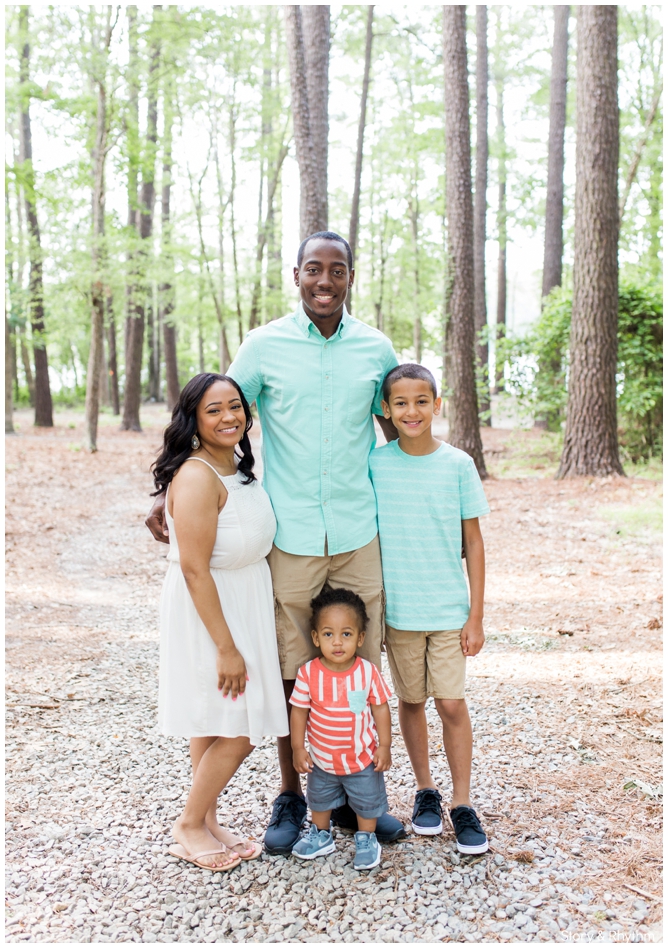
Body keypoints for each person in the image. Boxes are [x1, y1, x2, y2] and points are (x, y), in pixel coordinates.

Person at [146, 231, 405, 854]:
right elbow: (215, 410)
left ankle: (360, 796)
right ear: (296, 275)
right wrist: (169, 491)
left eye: (337, 270)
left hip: (358, 529)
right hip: (288, 535)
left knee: (359, 661)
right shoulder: (263, 345)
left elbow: (398, 427)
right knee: (293, 671)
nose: (325, 281)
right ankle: (295, 794)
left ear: (350, 277)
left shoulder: (376, 348)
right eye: (313, 269)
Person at [154, 373, 289, 871]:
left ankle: (208, 822)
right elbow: (194, 568)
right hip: (211, 607)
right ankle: (188, 823)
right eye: (214, 410)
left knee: (213, 719)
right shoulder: (196, 476)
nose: (229, 417)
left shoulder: (236, 465)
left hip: (244, 596)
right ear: (193, 419)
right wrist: (227, 648)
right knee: (243, 724)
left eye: (235, 406)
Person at [369, 363, 490, 855]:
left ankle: (462, 801)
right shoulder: (376, 464)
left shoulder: (458, 464)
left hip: (447, 611)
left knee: (452, 703)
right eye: (400, 403)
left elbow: (474, 543)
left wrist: (475, 616)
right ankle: (425, 790)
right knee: (412, 701)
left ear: (437, 405)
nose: (412, 411)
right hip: (399, 612)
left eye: (421, 401)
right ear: (386, 409)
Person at [290, 586, 392, 870]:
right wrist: (298, 747)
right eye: (328, 634)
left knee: (367, 801)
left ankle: (367, 839)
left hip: (361, 758)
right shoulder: (308, 673)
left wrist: (385, 745)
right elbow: (299, 711)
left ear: (360, 638)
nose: (337, 642)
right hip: (322, 759)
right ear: (315, 638)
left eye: (346, 634)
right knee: (319, 800)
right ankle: (321, 835)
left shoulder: (367, 672)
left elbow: (380, 707)